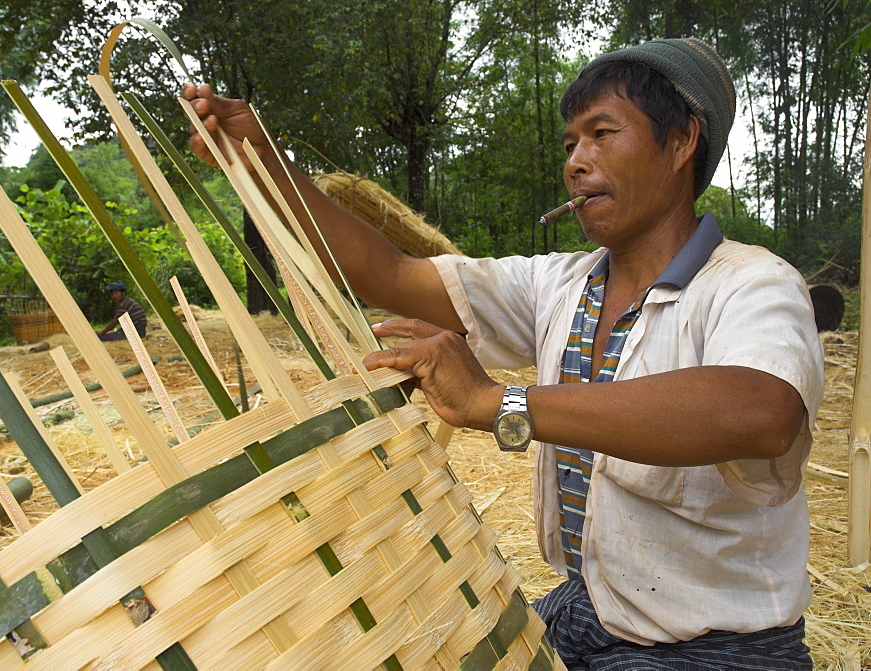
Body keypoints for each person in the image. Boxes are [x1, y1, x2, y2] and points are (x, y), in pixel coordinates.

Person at [183, 37, 822, 670]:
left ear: (682, 141)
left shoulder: (750, 283)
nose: (577, 161)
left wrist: (499, 403)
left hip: (713, 645)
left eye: (603, 134)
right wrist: (261, 162)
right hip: (591, 609)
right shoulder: (560, 286)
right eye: (571, 144)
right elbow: (391, 274)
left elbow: (761, 410)